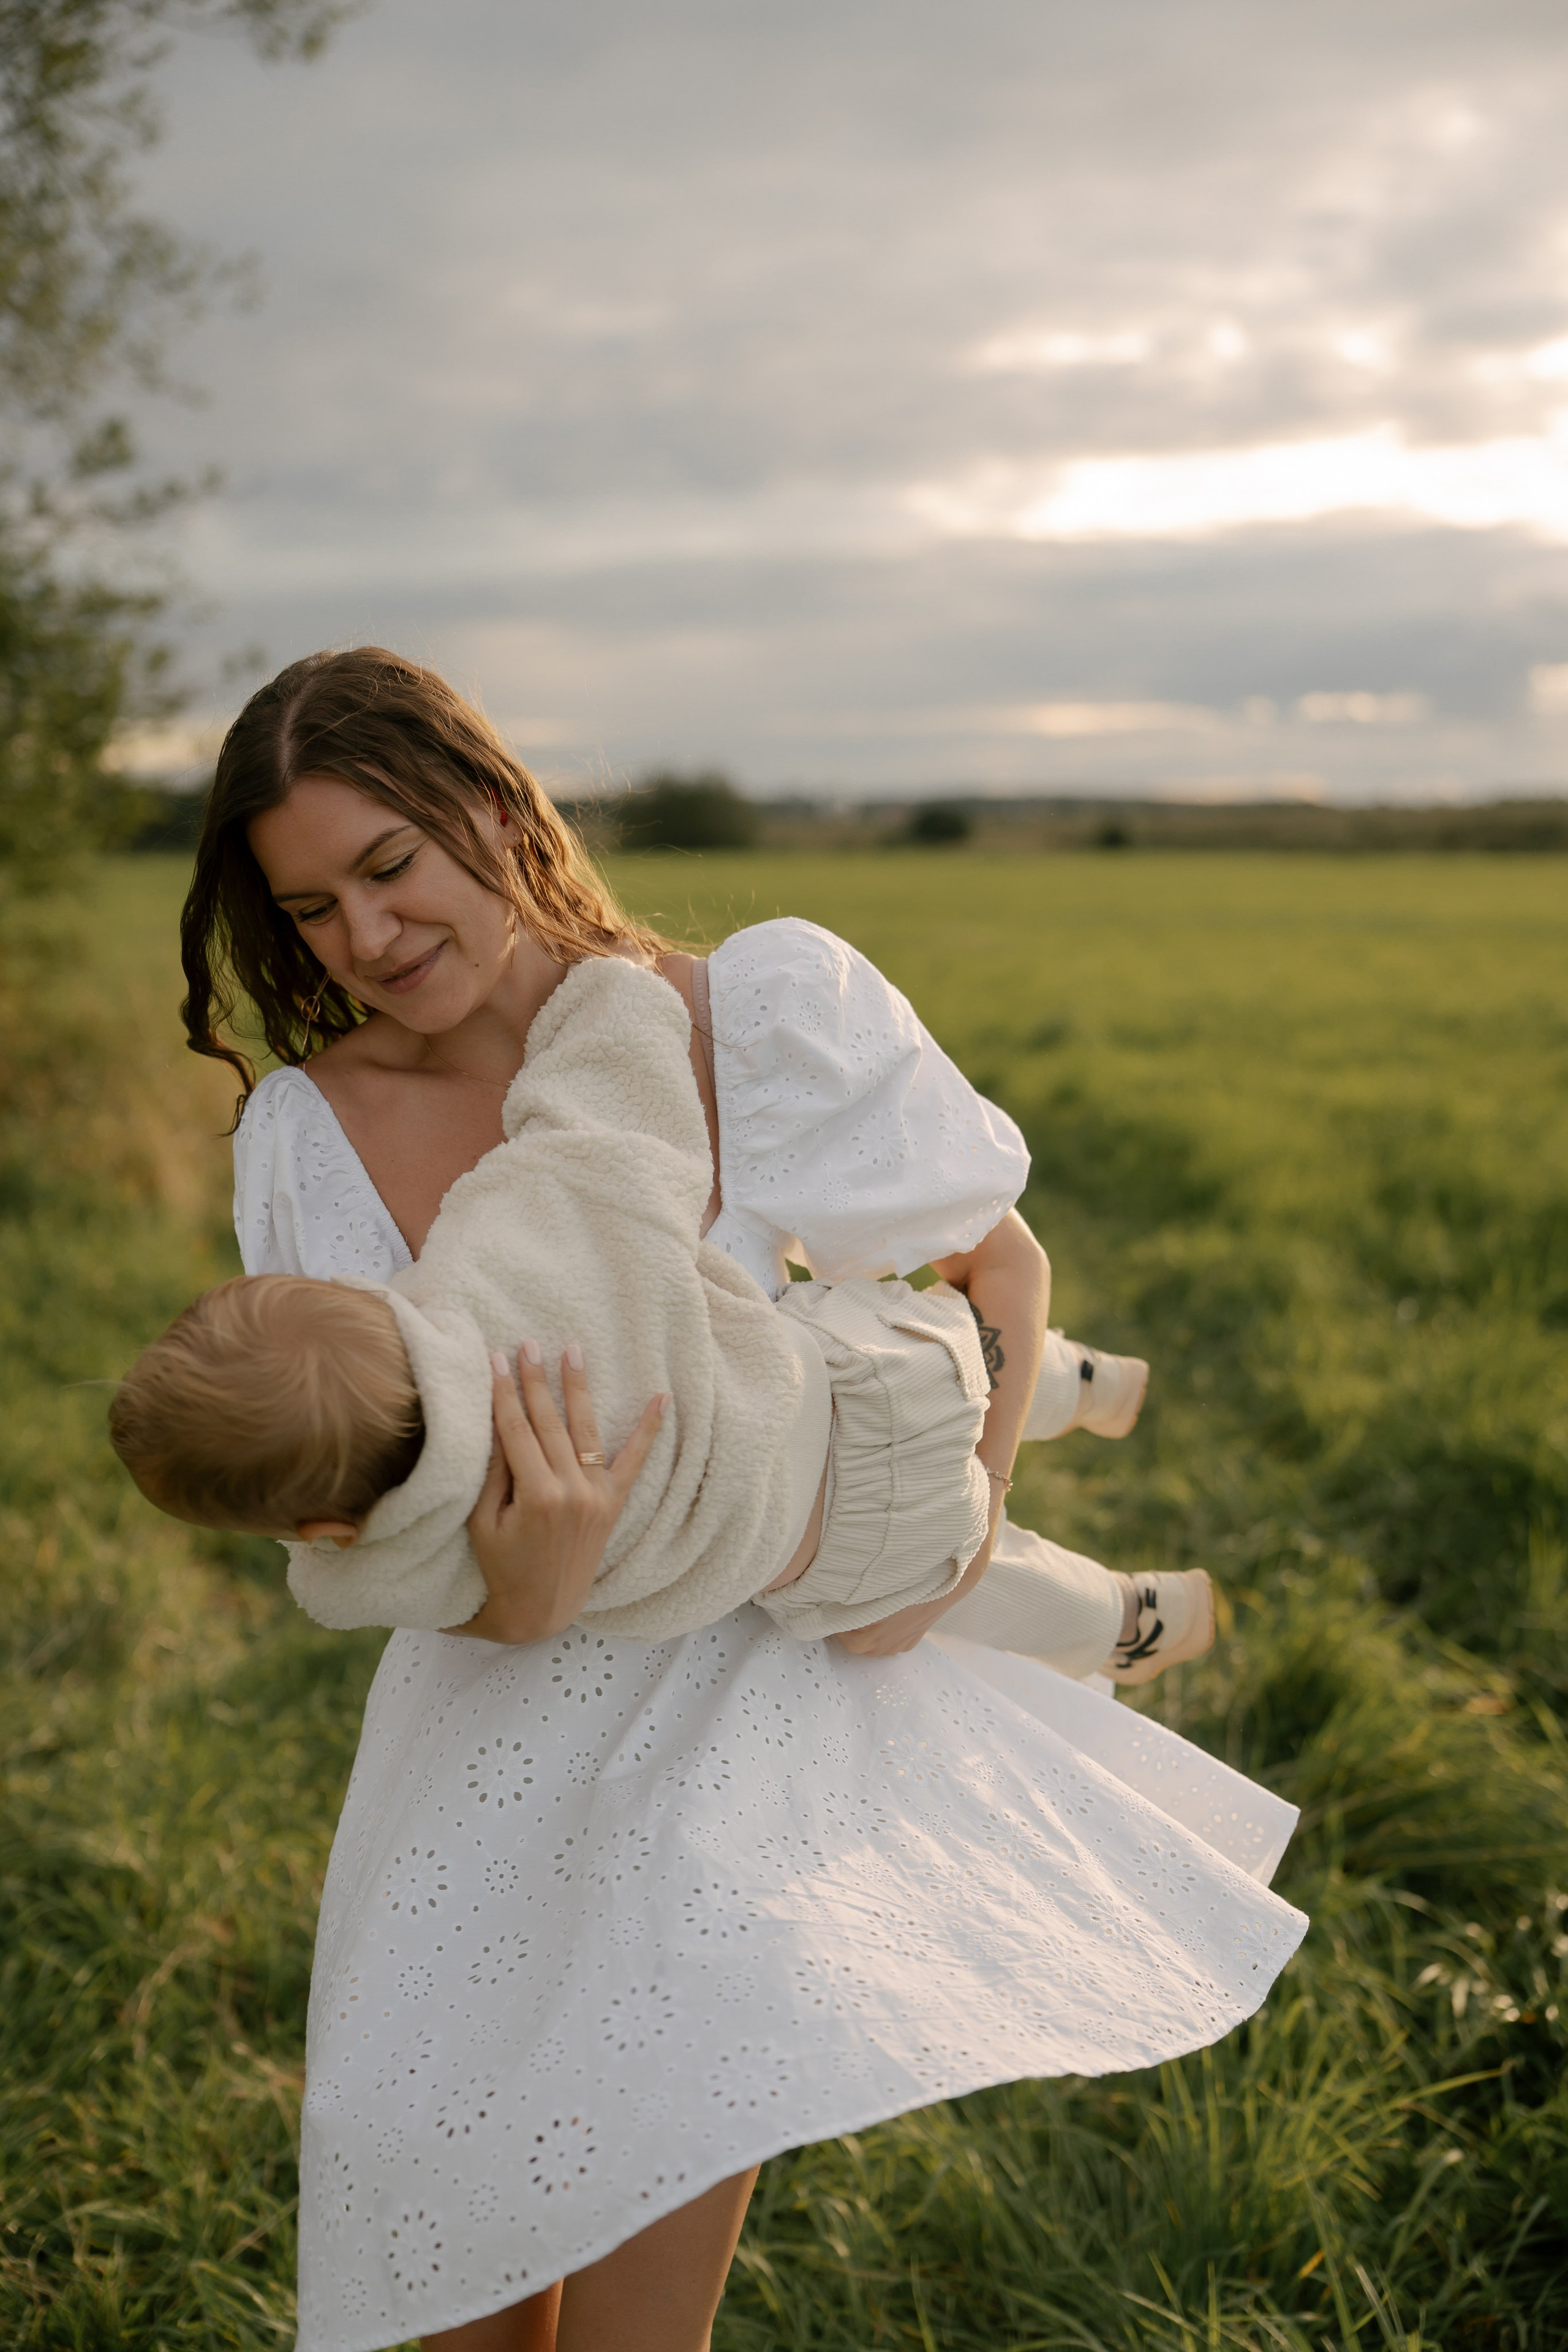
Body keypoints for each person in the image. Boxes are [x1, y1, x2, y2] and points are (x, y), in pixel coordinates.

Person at [177, 646, 1305, 2352]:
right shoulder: (312, 1135)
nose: (366, 936)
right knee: (434, 2259)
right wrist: (524, 1585)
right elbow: (347, 1499)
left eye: (391, 866)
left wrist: (959, 1540)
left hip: (728, 1742)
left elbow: (993, 1265)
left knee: (641, 2295)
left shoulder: (741, 1019)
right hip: (481, 1725)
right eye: (314, 907)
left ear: (488, 808)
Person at [110, 949, 1211, 1670]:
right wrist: (613, 1001)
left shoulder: (384, 1554)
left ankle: (1134, 1617)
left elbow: (382, 1597)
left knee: (982, 1585)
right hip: (863, 1378)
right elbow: (609, 1152)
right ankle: (1075, 1383)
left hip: (825, 1554)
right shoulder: (499, 1273)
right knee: (911, 1335)